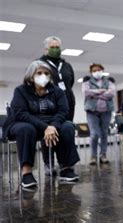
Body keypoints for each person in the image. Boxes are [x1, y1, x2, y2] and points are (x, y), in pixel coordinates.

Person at [2, 60, 80, 189]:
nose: (43, 76)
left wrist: (53, 126)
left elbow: (63, 111)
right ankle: (26, 173)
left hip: (51, 123)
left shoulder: (57, 91)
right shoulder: (21, 90)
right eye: (39, 73)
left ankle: (66, 169)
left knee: (67, 127)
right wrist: (45, 127)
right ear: (31, 76)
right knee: (26, 129)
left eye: (46, 73)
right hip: (24, 123)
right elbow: (21, 114)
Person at [39, 36, 76, 176]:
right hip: (48, 105)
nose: (56, 49)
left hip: (67, 104)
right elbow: (38, 84)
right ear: (46, 49)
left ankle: (64, 163)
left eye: (58, 47)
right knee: (49, 133)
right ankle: (48, 163)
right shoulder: (40, 64)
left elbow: (70, 82)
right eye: (53, 47)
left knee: (66, 132)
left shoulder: (66, 65)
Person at [82, 63, 115, 165]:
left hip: (106, 111)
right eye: (94, 70)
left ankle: (103, 155)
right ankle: (93, 156)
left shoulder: (109, 81)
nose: (97, 72)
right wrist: (102, 91)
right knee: (94, 134)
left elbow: (112, 93)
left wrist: (95, 94)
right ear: (91, 72)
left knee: (104, 133)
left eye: (99, 70)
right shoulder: (86, 81)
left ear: (102, 70)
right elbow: (86, 92)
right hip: (92, 111)